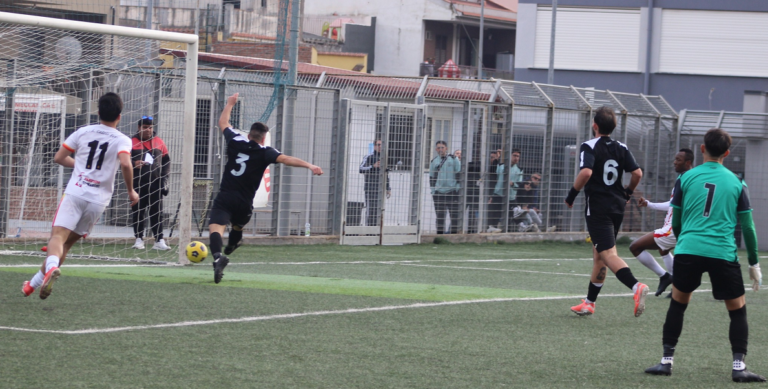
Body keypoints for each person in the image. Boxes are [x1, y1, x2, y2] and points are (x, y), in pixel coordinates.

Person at [645, 129, 764, 382]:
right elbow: (748, 227)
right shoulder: (737, 182)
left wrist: (683, 241)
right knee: (737, 310)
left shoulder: (686, 179)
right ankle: (738, 367)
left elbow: (676, 220)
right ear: (727, 153)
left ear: (702, 149)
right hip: (722, 251)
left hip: (689, 249)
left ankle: (666, 362)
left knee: (678, 303)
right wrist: (754, 262)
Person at [21, 93, 138, 299]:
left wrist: (81, 167)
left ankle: (50, 268)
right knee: (65, 244)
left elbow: (59, 157)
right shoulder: (123, 139)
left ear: (98, 112)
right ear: (120, 116)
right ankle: (32, 284)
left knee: (57, 238)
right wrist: (131, 191)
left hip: (76, 193)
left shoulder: (83, 131)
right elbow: (126, 164)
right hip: (98, 201)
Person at [208, 93, 323, 283]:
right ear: (263, 139)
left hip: (226, 196)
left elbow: (223, 123)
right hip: (244, 202)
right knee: (237, 226)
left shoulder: (235, 140)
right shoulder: (265, 152)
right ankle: (232, 247)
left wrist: (230, 104)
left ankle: (219, 257)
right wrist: (310, 165)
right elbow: (287, 159)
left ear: (249, 134)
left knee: (216, 229)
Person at [565, 106, 648, 317]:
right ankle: (589, 303)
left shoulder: (589, 146)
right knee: (599, 255)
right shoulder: (621, 147)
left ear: (594, 125)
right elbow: (637, 173)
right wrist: (628, 192)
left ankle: (636, 286)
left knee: (608, 254)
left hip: (599, 207)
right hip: (617, 206)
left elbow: (586, 172)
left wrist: (572, 195)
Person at [629, 148, 694, 297]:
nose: (674, 162)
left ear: (688, 162)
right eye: (675, 159)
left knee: (635, 247)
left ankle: (665, 277)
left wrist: (650, 205)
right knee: (664, 250)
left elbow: (675, 205)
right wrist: (649, 204)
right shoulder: (687, 178)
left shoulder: (685, 179)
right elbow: (673, 203)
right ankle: (675, 285)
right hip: (677, 227)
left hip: (675, 228)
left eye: (678, 159)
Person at [130, 116, 171, 250]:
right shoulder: (131, 142)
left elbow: (166, 161)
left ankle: (159, 240)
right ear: (139, 128)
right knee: (138, 211)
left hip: (155, 183)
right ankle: (138, 239)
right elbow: (123, 161)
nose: (148, 130)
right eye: (145, 127)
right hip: (138, 183)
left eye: (150, 127)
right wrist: (134, 163)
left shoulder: (159, 141)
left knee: (157, 212)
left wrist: (164, 178)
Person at [429, 140, 461, 234]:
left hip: (452, 192)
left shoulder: (454, 159)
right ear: (436, 149)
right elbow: (431, 177)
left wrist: (457, 189)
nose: (440, 149)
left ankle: (454, 236)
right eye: (438, 148)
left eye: (442, 147)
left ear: (446, 148)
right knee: (440, 216)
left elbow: (459, 174)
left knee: (454, 216)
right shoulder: (434, 161)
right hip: (439, 193)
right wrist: (433, 191)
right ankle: (439, 236)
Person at [488, 149, 523, 232]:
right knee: (496, 212)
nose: (516, 158)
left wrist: (512, 184)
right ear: (510, 156)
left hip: (511, 196)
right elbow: (493, 174)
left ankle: (522, 226)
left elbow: (520, 184)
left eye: (518, 156)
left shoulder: (519, 169)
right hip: (498, 193)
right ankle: (492, 227)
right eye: (514, 155)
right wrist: (497, 158)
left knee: (514, 213)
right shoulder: (500, 166)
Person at [359, 138, 390, 226]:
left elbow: (386, 174)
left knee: (379, 210)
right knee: (370, 210)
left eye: (381, 145)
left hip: (380, 189)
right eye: (378, 145)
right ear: (374, 146)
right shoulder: (369, 156)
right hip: (370, 189)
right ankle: (369, 231)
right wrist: (373, 166)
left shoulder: (384, 157)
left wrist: (388, 188)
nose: (380, 147)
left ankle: (377, 231)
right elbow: (360, 169)